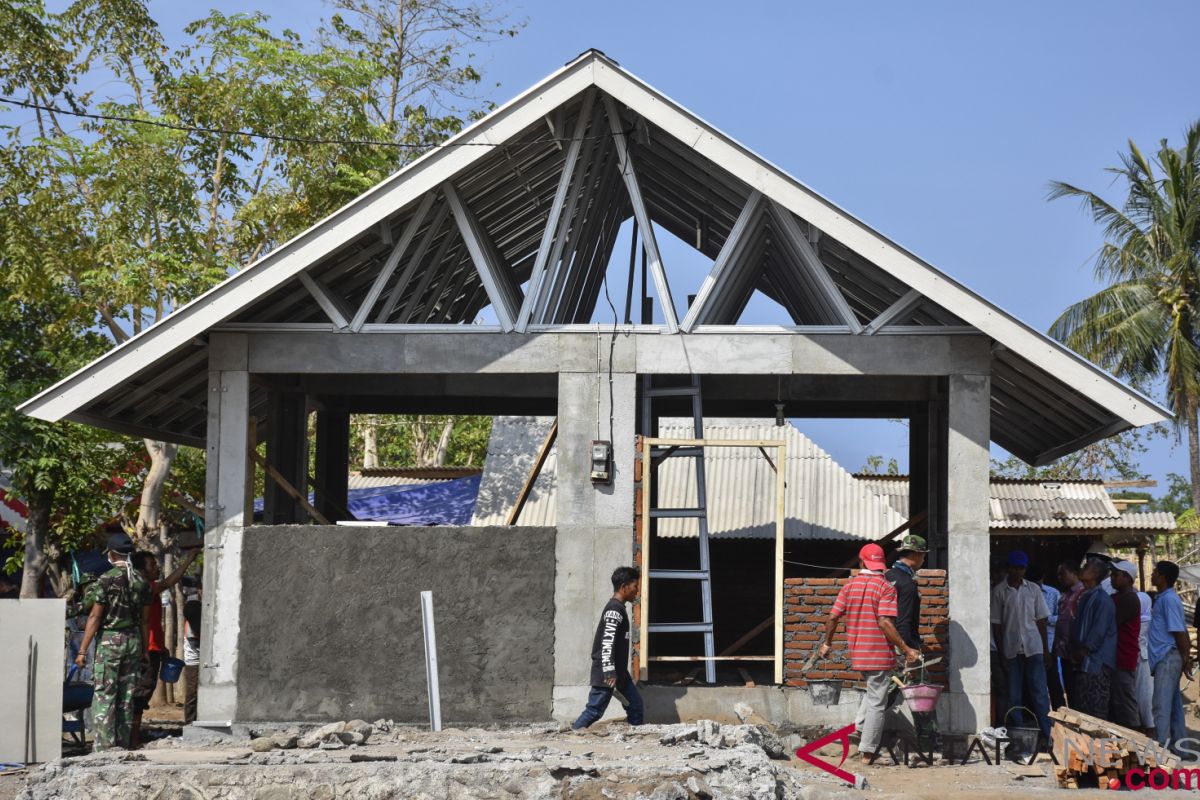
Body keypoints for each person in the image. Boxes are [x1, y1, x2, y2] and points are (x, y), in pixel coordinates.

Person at [817, 543, 920, 766]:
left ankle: (859, 729)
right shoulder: (885, 587)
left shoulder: (849, 586)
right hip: (879, 655)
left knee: (873, 693)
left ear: (861, 562)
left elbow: (833, 618)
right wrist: (906, 649)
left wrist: (826, 643)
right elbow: (885, 622)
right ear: (880, 563)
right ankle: (867, 752)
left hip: (858, 654)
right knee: (877, 703)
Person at [73, 532, 153, 751]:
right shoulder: (141, 581)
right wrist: (144, 649)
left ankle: (104, 748)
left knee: (105, 695)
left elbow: (95, 616)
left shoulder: (107, 579)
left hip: (110, 641)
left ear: (111, 553)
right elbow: (145, 620)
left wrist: (81, 651)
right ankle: (123, 744)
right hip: (134, 640)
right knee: (127, 697)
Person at [129, 548, 200, 747]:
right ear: (142, 569)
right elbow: (169, 582)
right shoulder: (145, 587)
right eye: (152, 565)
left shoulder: (145, 587)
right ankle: (133, 740)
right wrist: (189, 559)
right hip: (147, 651)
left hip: (153, 648)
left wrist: (162, 647)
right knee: (140, 696)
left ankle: (133, 737)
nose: (156, 569)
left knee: (142, 695)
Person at [572, 566, 644, 729]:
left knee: (635, 706)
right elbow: (607, 643)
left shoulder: (619, 609)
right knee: (594, 711)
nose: (637, 591)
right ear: (624, 587)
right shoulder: (614, 610)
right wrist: (610, 672)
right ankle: (573, 734)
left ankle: (635, 739)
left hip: (619, 673)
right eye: (635, 587)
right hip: (607, 673)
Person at [990, 550, 1051, 740]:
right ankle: (1020, 735)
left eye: (1022, 568)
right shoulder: (999, 592)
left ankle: (1047, 734)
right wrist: (1001, 654)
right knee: (1013, 695)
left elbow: (1041, 620)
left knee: (1040, 693)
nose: (1019, 572)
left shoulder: (1033, 590)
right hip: (1011, 649)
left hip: (1034, 648)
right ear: (1009, 569)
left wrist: (1046, 649)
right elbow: (997, 625)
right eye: (1016, 568)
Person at [1148, 560, 1191, 751]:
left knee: (1161, 706)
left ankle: (1161, 751)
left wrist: (1185, 659)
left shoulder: (1168, 600)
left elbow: (1180, 633)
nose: (1152, 574)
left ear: (1162, 577)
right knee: (1173, 706)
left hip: (1167, 656)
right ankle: (1181, 749)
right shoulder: (1164, 598)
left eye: (1155, 572)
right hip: (1167, 657)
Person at [1070, 558, 1116, 719]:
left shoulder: (1102, 599)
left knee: (1095, 709)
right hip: (1085, 661)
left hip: (1096, 662)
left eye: (1087, 567)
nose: (1083, 568)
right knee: (1083, 708)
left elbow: (1099, 630)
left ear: (1095, 574)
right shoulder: (1087, 596)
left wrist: (1083, 650)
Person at [1108, 561, 1142, 728]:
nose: (1112, 577)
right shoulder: (1116, 597)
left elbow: (1110, 623)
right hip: (1115, 657)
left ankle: (1134, 743)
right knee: (1117, 702)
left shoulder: (1130, 599)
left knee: (1126, 702)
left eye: (1116, 574)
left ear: (1127, 578)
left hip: (1124, 656)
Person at [1028, 563, 1064, 712]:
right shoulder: (1024, 592)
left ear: (1043, 578)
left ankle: (1060, 715)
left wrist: (1045, 619)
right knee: (1033, 685)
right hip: (1029, 645)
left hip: (1050, 644)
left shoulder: (1053, 593)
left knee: (1053, 683)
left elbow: (1062, 618)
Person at [885, 534, 928, 651]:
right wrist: (911, 648)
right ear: (916, 555)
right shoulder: (907, 583)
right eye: (923, 556)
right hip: (900, 647)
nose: (923, 560)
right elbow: (903, 623)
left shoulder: (887, 576)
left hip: (884, 644)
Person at [1055, 561, 1085, 707]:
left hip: (1076, 653)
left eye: (1063, 574)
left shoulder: (1082, 593)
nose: (1060, 577)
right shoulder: (1065, 595)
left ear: (1074, 573)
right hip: (1064, 651)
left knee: (1077, 692)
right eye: (1059, 574)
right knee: (1070, 690)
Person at [182, 581, 202, 725]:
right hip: (193, 661)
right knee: (192, 693)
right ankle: (189, 722)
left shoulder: (196, 619)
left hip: (201, 659)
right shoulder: (191, 628)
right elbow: (198, 642)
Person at [1137, 583, 1155, 735]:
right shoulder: (1150, 617)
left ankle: (1149, 728)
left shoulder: (1144, 620)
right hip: (1144, 658)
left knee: (1144, 695)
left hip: (1142, 660)